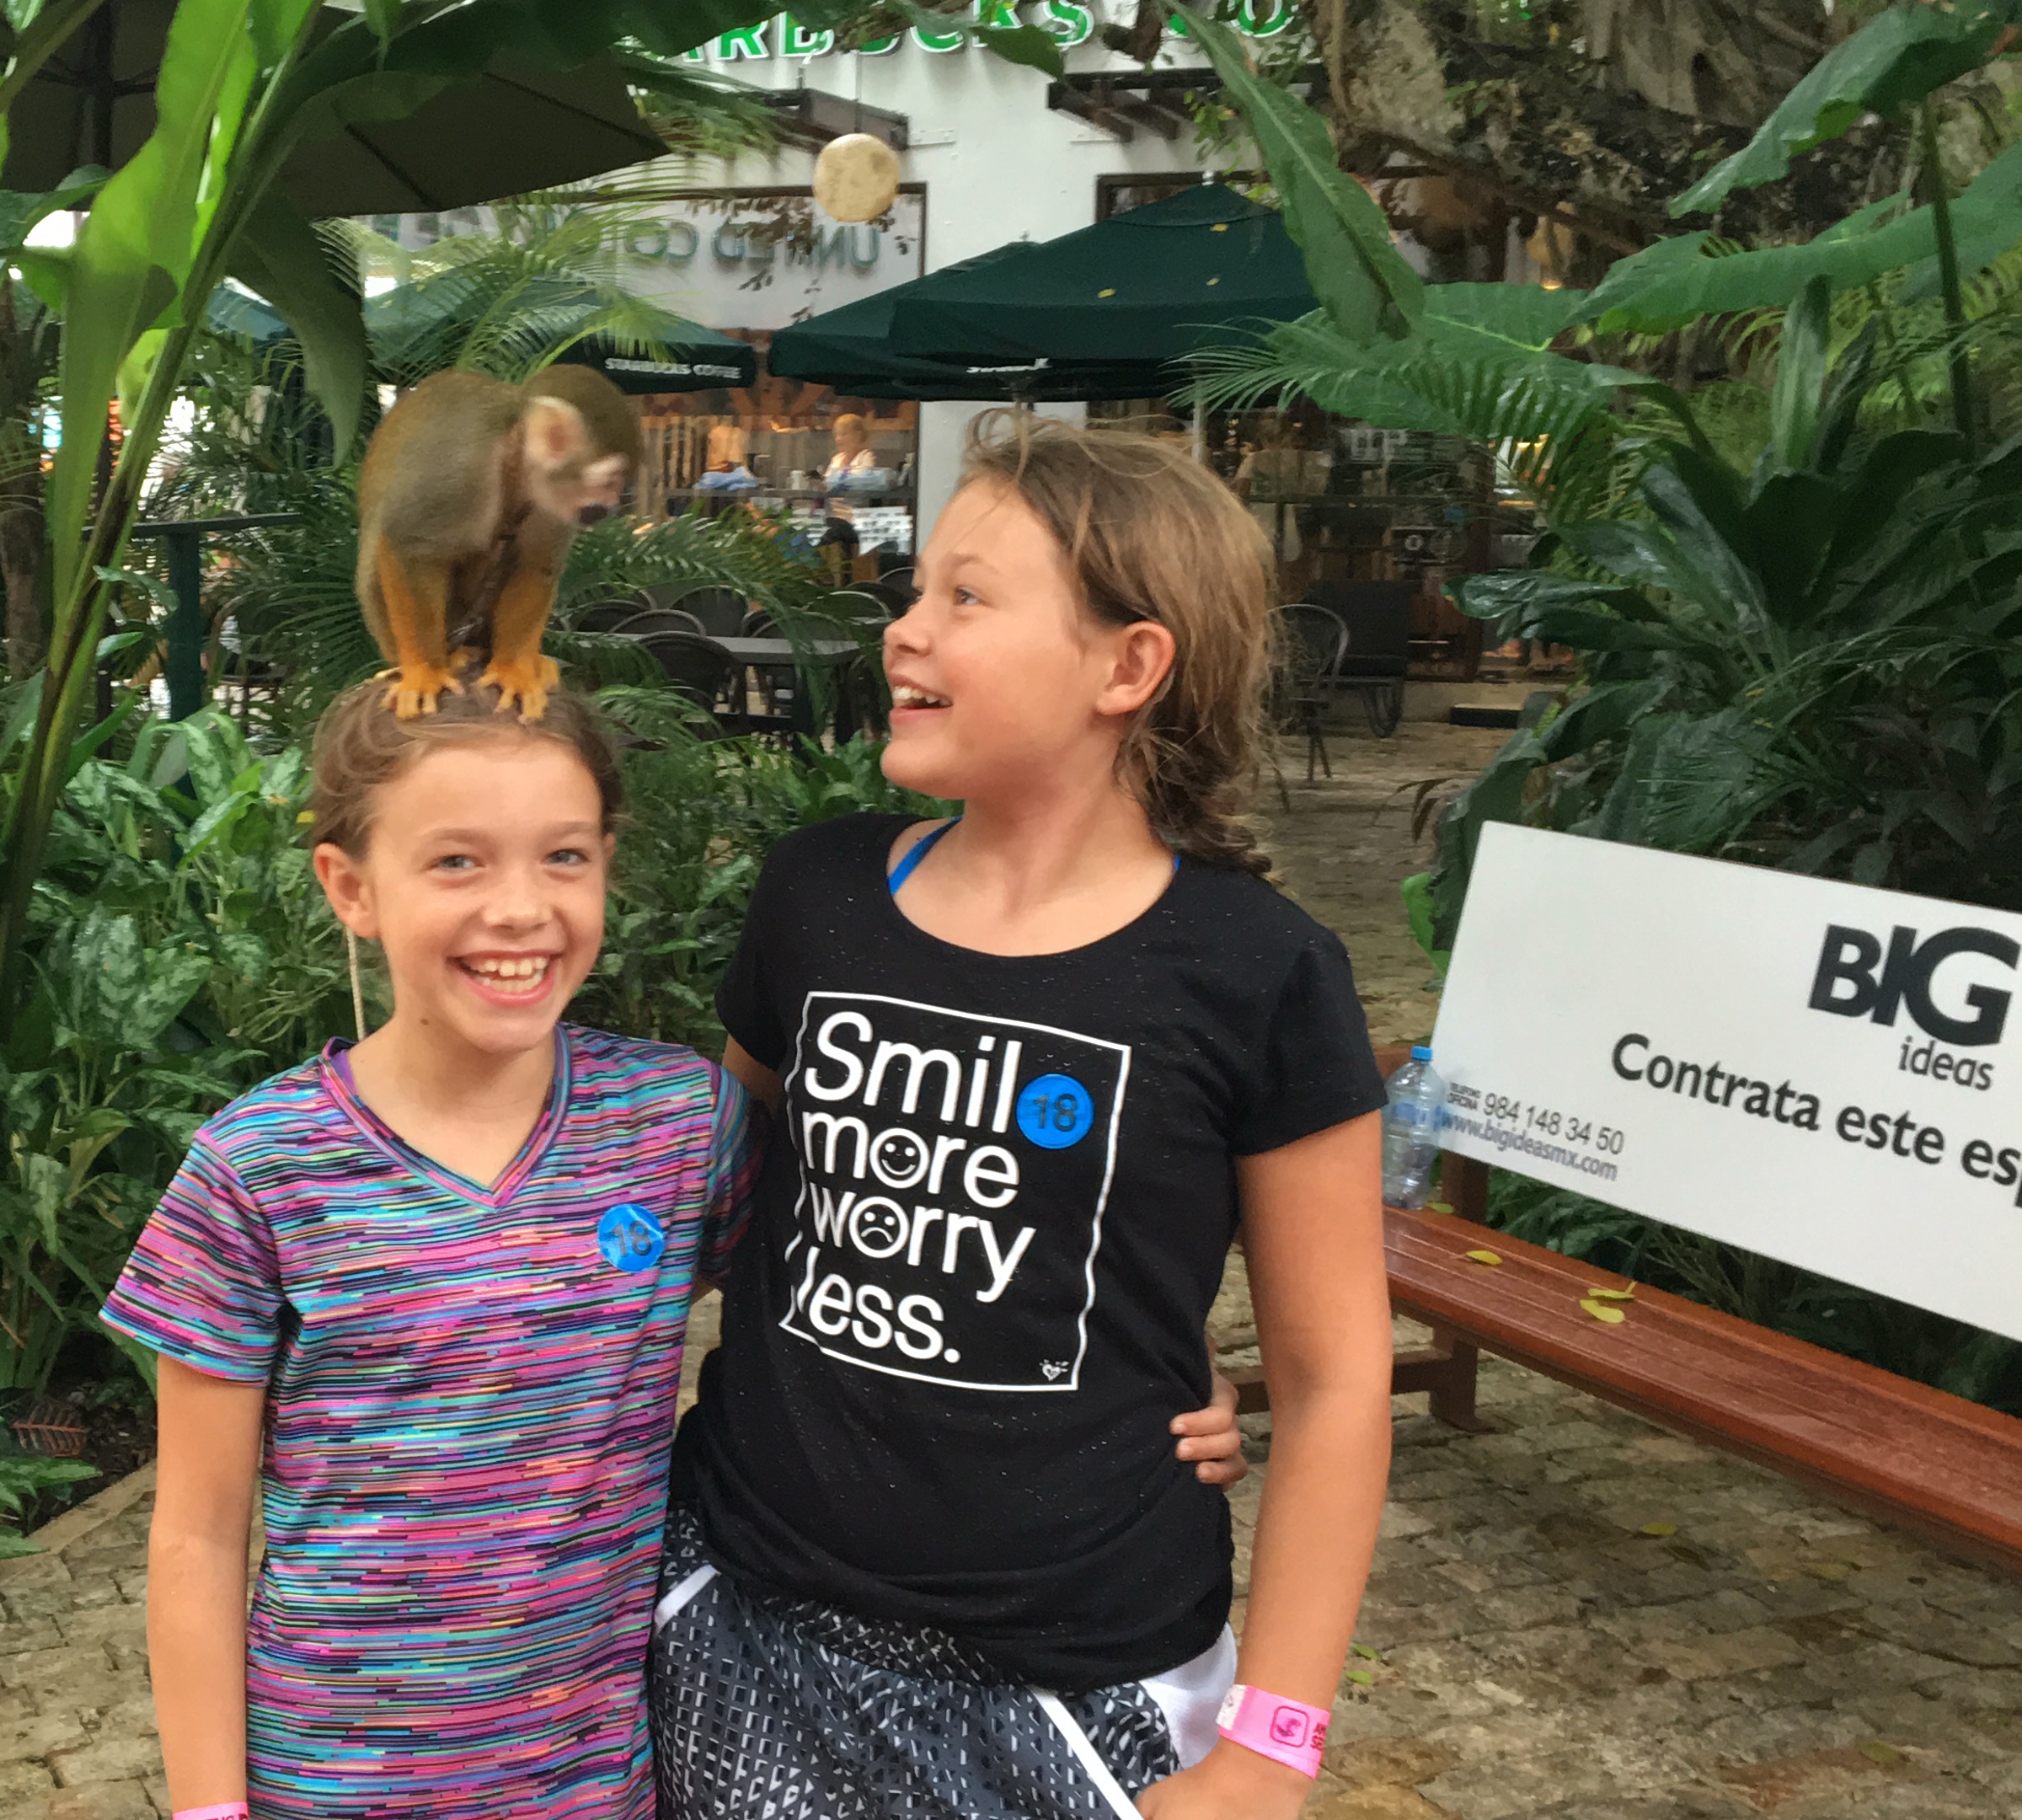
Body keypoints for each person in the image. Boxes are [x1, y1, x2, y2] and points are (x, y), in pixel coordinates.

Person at [114, 675, 1254, 1818]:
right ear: (350, 886)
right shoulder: (257, 1169)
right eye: (456, 861)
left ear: (606, 865)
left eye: (564, 857)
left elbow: (884, 1257)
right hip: (327, 1779)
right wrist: (210, 1808)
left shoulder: (679, 1126)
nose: (520, 907)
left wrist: (1151, 1365)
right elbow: (198, 1537)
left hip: (597, 1781)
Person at [655, 410, 1394, 1820]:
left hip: (1078, 1688)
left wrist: (1271, 1750)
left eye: (967, 597)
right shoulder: (816, 895)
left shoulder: (1258, 971)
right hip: (743, 1624)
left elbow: (1339, 1380)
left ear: (1129, 665)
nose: (904, 629)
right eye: (915, 588)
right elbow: (720, 1210)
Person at [826, 410, 882, 491]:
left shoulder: (866, 457)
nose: (838, 439)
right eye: (836, 434)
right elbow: (826, 485)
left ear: (857, 436)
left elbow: (861, 483)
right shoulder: (836, 459)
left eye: (843, 434)